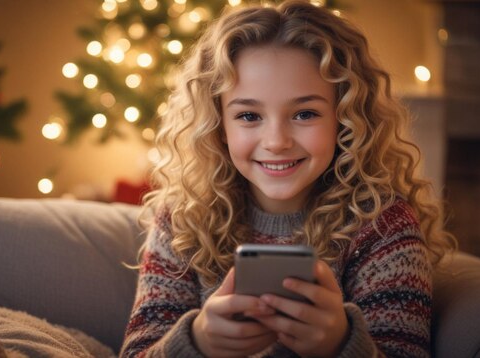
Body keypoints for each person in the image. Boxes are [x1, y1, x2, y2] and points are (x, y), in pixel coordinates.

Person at [120, 1, 455, 357]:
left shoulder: (383, 228)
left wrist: (342, 344)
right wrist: (197, 341)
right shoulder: (184, 219)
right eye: (249, 115)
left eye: (305, 113)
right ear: (218, 126)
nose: (277, 142)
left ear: (345, 120)